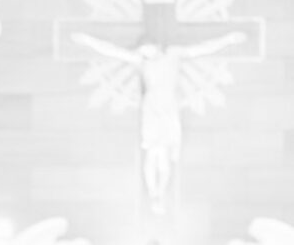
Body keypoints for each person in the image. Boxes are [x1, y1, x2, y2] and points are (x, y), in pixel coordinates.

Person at [71, 30, 246, 213]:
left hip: (168, 107)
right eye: (142, 50)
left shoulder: (174, 54)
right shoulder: (141, 61)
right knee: (153, 152)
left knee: (164, 154)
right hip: (152, 108)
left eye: (146, 48)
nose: (144, 53)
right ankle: (154, 193)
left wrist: (228, 39)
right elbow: (113, 51)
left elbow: (201, 49)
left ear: (155, 45)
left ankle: (160, 192)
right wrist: (88, 40)